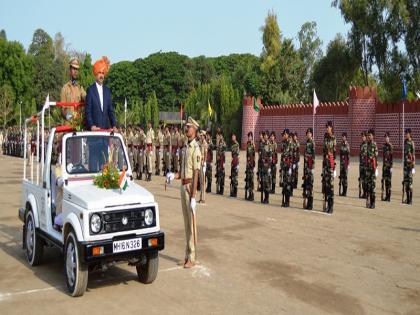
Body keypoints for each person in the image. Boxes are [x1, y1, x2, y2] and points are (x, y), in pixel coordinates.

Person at [177, 117, 201, 268]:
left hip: (190, 187)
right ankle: (186, 255)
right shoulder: (186, 147)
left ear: (195, 130)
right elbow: (182, 170)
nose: (187, 129)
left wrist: (193, 195)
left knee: (191, 225)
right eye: (186, 127)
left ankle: (192, 257)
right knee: (186, 224)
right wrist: (174, 175)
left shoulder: (196, 148)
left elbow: (197, 172)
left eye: (189, 127)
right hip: (182, 185)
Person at [85, 56, 116, 131]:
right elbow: (88, 111)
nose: (101, 75)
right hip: (94, 132)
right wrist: (91, 125)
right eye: (99, 73)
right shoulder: (90, 90)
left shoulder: (107, 91)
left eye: (103, 73)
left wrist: (114, 125)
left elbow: (110, 110)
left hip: (105, 131)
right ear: (95, 74)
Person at [322, 121, 336, 214]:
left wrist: (333, 167)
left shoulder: (333, 139)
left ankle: (331, 207)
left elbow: (334, 153)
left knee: (331, 187)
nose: (327, 129)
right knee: (326, 186)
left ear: (331, 128)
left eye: (329, 127)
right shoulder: (325, 138)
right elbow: (324, 152)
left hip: (330, 165)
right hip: (325, 166)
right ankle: (326, 205)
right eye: (326, 127)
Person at [302, 128, 315, 210]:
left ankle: (310, 204)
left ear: (312, 134)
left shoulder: (312, 143)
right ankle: (307, 203)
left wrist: (312, 167)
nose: (308, 134)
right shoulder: (307, 143)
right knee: (306, 185)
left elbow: (312, 156)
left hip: (310, 167)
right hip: (306, 167)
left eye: (309, 133)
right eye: (307, 133)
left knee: (310, 186)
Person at [365, 129, 378, 209]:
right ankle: (368, 201)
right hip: (367, 169)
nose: (368, 136)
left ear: (373, 136)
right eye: (368, 135)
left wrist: (376, 168)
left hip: (372, 169)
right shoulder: (367, 145)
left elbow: (376, 156)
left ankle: (373, 203)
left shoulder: (374, 145)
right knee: (368, 186)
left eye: (370, 135)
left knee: (372, 186)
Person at [280, 129, 292, 207]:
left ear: (287, 135)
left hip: (288, 167)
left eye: (284, 134)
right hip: (283, 167)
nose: (283, 136)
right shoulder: (283, 143)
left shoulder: (290, 143)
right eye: (283, 134)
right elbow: (282, 155)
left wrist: (290, 167)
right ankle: (284, 200)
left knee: (287, 184)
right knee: (284, 184)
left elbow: (291, 156)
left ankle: (287, 201)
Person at [403, 128, 415, 205]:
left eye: (407, 133)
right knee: (406, 183)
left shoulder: (412, 143)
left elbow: (413, 155)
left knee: (410, 183)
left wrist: (413, 167)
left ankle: (410, 199)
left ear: (410, 134)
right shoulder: (405, 142)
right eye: (405, 133)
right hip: (405, 166)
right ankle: (407, 198)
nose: (406, 134)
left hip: (410, 166)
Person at [260, 131, 272, 204]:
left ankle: (267, 198)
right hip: (262, 166)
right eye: (264, 135)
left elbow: (270, 157)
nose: (265, 137)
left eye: (267, 135)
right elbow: (260, 156)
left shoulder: (269, 145)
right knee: (263, 182)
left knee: (267, 182)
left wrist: (269, 167)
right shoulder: (261, 144)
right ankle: (264, 197)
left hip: (267, 166)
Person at [382, 132, 393, 201]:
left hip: (389, 166)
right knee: (385, 181)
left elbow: (391, 157)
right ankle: (386, 196)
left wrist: (391, 166)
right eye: (385, 138)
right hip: (385, 166)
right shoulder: (384, 146)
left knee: (389, 181)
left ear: (389, 138)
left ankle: (389, 196)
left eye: (387, 138)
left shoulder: (390, 146)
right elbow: (383, 157)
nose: (386, 139)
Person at [245, 131, 256, 201]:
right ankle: (249, 194)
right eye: (248, 136)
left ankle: (252, 195)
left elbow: (254, 156)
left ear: (252, 137)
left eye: (250, 136)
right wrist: (246, 162)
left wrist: (254, 165)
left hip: (252, 164)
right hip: (248, 164)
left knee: (251, 180)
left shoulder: (253, 145)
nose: (249, 138)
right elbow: (247, 155)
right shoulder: (247, 144)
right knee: (248, 179)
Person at [198, 130, 208, 203]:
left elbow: (205, 154)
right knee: (200, 180)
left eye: (201, 135)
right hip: (199, 162)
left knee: (203, 181)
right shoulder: (199, 143)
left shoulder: (205, 144)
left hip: (202, 163)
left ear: (204, 136)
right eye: (200, 135)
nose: (200, 136)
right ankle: (201, 197)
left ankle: (203, 197)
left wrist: (204, 162)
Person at [339, 132, 350, 196]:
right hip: (341, 163)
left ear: (346, 137)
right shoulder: (341, 144)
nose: (343, 137)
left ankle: (345, 192)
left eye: (344, 136)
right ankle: (342, 191)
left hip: (345, 163)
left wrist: (348, 164)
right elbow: (340, 154)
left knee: (345, 177)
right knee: (342, 177)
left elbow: (348, 154)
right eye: (342, 136)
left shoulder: (347, 145)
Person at [230, 133, 240, 198]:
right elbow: (232, 155)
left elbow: (238, 155)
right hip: (233, 161)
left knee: (235, 178)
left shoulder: (237, 144)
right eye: (232, 137)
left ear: (235, 137)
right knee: (232, 177)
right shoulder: (232, 145)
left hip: (236, 162)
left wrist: (237, 164)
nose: (233, 138)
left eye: (234, 136)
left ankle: (235, 193)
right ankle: (232, 191)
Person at [359, 131, 368, 198]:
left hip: (365, 165)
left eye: (364, 136)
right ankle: (364, 193)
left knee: (365, 180)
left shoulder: (367, 145)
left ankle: (366, 193)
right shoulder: (361, 145)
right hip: (361, 165)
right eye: (362, 136)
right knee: (362, 179)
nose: (363, 138)